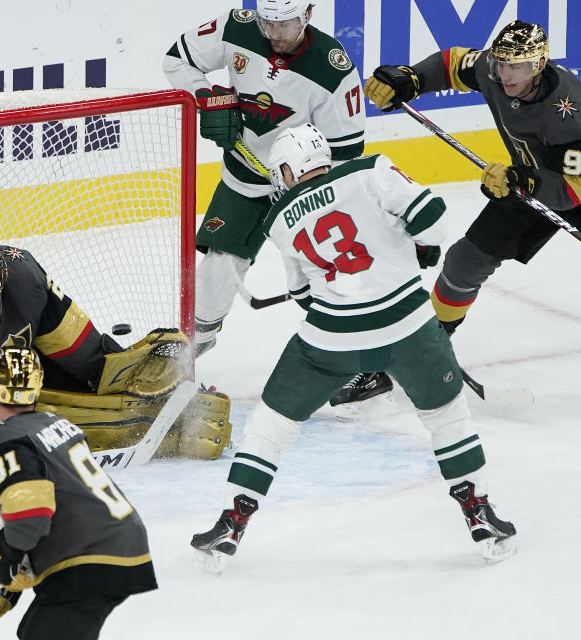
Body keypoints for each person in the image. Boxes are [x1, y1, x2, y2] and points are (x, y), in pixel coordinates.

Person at [190, 125, 517, 572]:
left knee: (272, 424)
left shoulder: (279, 219)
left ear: (290, 169)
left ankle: (232, 520)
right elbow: (436, 219)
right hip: (410, 329)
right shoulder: (371, 171)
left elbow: (303, 295)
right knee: (445, 417)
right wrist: (416, 242)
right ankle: (478, 512)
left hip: (331, 339)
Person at [338, 20, 581, 404]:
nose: (505, 75)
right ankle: (425, 350)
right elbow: (453, 64)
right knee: (464, 262)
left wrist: (525, 180)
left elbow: (572, 190)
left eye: (516, 67)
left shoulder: (569, 108)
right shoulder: (493, 69)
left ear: (538, 65)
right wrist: (410, 80)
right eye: (501, 64)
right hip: (526, 179)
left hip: (571, 183)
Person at [0, 228, 226, 473]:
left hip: (6, 350)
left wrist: (109, 372)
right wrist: (9, 438)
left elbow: (75, 344)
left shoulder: (22, 273)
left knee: (75, 378)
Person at [163, 0, 365, 356]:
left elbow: (347, 151)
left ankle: (363, 354)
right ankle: (192, 346)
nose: (274, 33)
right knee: (217, 268)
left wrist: (308, 187)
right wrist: (205, 97)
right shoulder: (238, 27)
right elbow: (176, 59)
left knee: (325, 279)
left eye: (284, 24)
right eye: (267, 22)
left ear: (308, 14)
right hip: (243, 178)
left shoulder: (332, 67)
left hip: (302, 192)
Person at [0, 346, 156, 640]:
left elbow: (30, 516)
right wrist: (10, 583)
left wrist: (5, 559)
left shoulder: (4, 439)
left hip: (91, 555)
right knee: (34, 631)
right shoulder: (56, 424)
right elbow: (61, 502)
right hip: (114, 541)